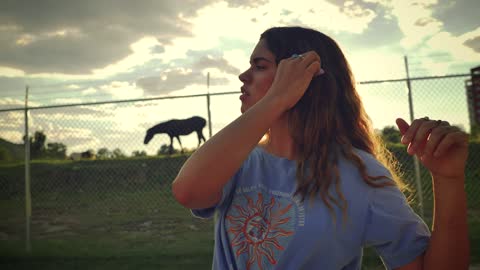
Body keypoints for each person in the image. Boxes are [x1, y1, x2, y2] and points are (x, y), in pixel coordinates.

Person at [172, 26, 470, 270]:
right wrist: (275, 101)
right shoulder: (236, 159)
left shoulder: (359, 174)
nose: (243, 76)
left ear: (303, 79)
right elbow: (187, 191)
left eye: (259, 66)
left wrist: (448, 179)